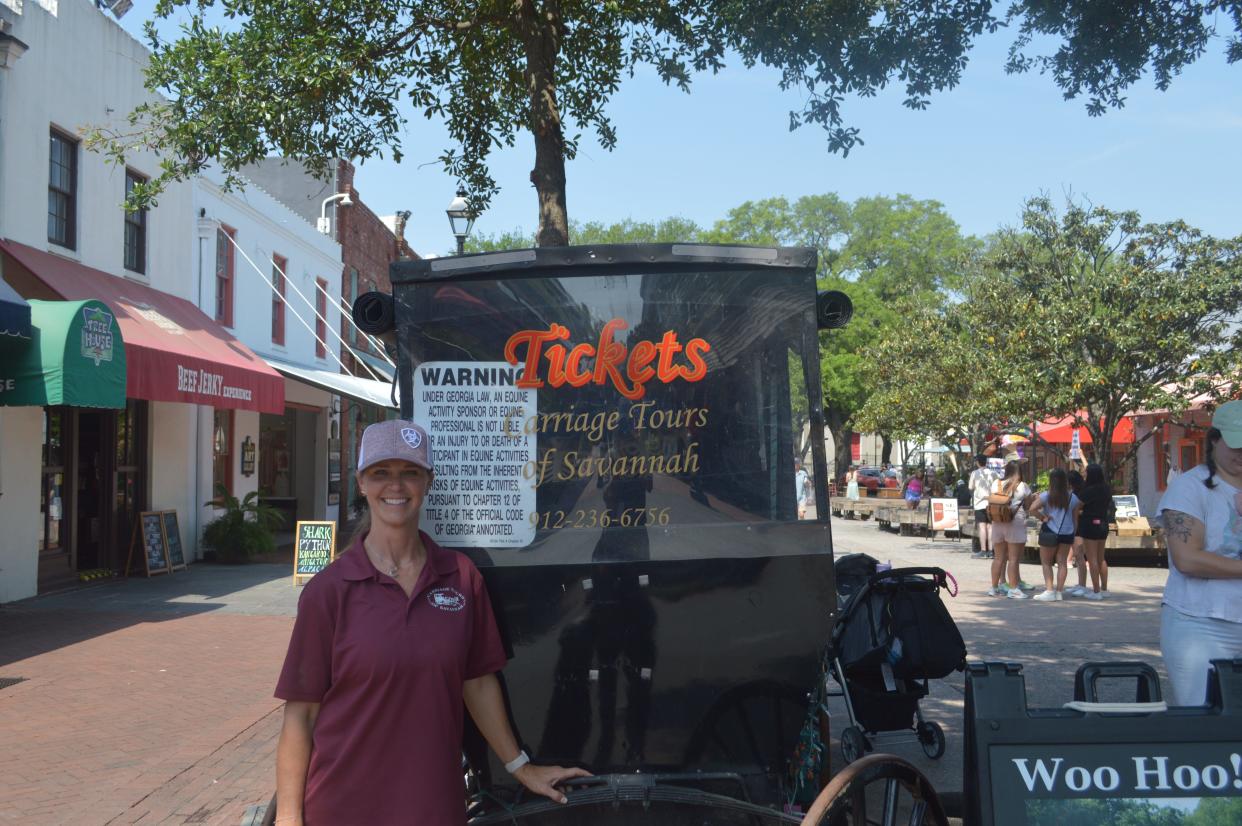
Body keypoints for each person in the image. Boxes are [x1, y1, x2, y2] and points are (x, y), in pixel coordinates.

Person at [273, 420, 589, 825]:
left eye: (410, 473)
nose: (396, 485)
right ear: (362, 483)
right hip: (342, 806)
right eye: (381, 473)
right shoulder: (329, 591)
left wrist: (520, 767)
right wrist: (287, 817)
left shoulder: (459, 577)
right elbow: (301, 715)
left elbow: (475, 682)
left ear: (428, 482)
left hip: (434, 806)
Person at [1157, 401, 1242, 706]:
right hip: (1199, 622)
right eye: (1236, 445)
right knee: (1203, 716)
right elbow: (1187, 559)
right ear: (1215, 440)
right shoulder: (1188, 488)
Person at [1028, 468, 1082, 601]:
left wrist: (1043, 518)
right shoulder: (1073, 497)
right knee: (1062, 562)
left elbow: (1032, 509)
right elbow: (1075, 518)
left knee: (1046, 562)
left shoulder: (1046, 495)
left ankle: (1049, 590)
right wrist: (1073, 531)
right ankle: (1059, 592)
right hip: (1067, 532)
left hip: (1050, 531)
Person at [988, 461, 1032, 599]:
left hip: (997, 521)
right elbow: (1028, 506)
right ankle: (1013, 589)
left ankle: (994, 588)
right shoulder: (1023, 486)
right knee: (1013, 559)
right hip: (1015, 522)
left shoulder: (996, 483)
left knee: (998, 558)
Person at [1070, 463, 1112, 600]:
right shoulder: (1106, 489)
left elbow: (1077, 507)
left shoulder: (1089, 490)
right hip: (1103, 523)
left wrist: (1075, 522)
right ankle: (1104, 588)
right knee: (1101, 558)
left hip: (1090, 524)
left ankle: (1096, 591)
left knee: (1092, 558)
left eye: (1086, 473)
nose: (1084, 475)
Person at [969, 455, 998, 560]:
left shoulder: (975, 473)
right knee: (990, 527)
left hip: (980, 503)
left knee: (982, 527)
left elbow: (970, 487)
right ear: (986, 462)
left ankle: (983, 551)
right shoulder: (993, 473)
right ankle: (991, 551)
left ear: (977, 462)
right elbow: (997, 486)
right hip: (991, 503)